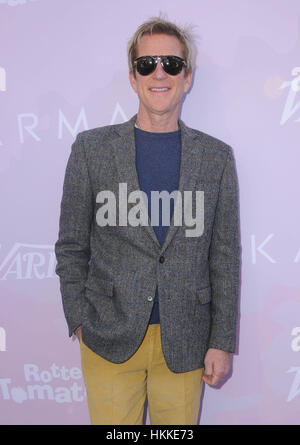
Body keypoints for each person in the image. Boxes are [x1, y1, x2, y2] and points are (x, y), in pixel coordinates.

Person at [55, 15, 241, 425]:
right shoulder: (91, 150)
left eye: (171, 64)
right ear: (133, 76)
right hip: (108, 337)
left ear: (187, 77)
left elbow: (225, 258)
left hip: (186, 342)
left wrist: (221, 340)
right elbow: (71, 246)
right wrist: (80, 321)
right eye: (147, 64)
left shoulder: (216, 158)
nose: (159, 73)